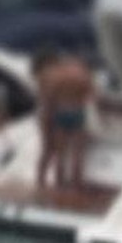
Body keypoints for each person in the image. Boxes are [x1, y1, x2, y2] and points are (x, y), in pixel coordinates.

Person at [34, 49, 94, 191]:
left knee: (57, 153)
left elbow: (48, 97)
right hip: (77, 112)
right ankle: (76, 185)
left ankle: (53, 183)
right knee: (77, 153)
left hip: (59, 112)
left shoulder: (53, 75)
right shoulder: (83, 74)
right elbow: (91, 95)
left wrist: (47, 116)